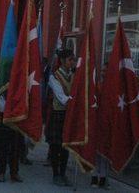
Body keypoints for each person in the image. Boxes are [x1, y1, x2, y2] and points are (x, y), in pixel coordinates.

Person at [48, 49, 76, 186]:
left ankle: (63, 173)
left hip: (69, 114)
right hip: (58, 113)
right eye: (70, 59)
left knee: (66, 145)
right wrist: (75, 100)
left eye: (73, 59)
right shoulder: (54, 76)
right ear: (63, 61)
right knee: (56, 145)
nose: (72, 62)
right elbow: (62, 98)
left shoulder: (73, 75)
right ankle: (55, 174)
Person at [0, 87, 22, 182]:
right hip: (4, 121)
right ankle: (1, 172)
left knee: (16, 148)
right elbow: (2, 107)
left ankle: (14, 172)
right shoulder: (3, 88)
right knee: (3, 148)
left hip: (16, 121)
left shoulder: (19, 86)